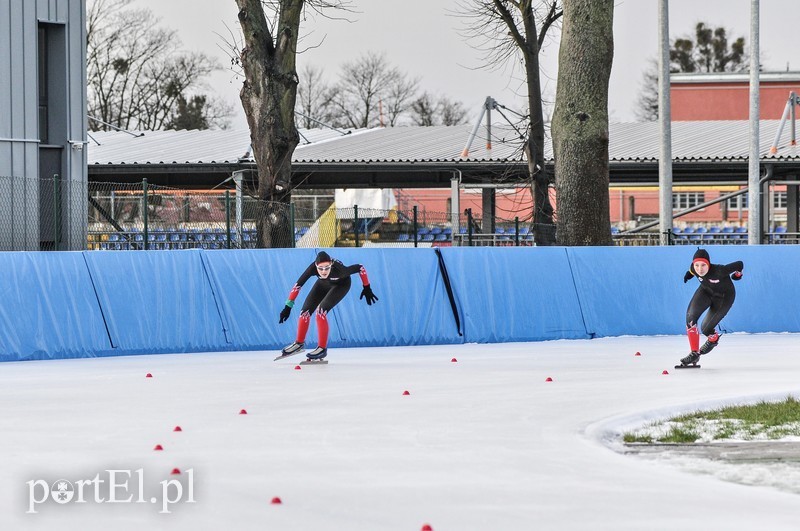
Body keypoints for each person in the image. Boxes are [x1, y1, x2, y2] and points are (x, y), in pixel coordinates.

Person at [278, 251, 378, 361]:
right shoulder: (312, 268)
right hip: (323, 284)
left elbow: (360, 267)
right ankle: (299, 343)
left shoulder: (340, 270)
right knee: (304, 312)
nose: (324, 271)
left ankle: (322, 348)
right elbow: (298, 285)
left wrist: (367, 287)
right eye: (320, 268)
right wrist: (288, 307)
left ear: (331, 264)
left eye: (327, 267)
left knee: (321, 312)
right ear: (316, 266)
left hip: (341, 285)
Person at [679, 248, 743, 367]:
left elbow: (739, 264)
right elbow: (692, 270)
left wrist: (738, 275)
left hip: (724, 297)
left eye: (703, 265)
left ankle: (713, 339)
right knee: (690, 318)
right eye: (697, 265)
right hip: (706, 291)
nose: (700, 269)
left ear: (708, 264)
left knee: (706, 329)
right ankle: (694, 353)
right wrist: (688, 275)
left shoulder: (720, 270)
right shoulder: (694, 268)